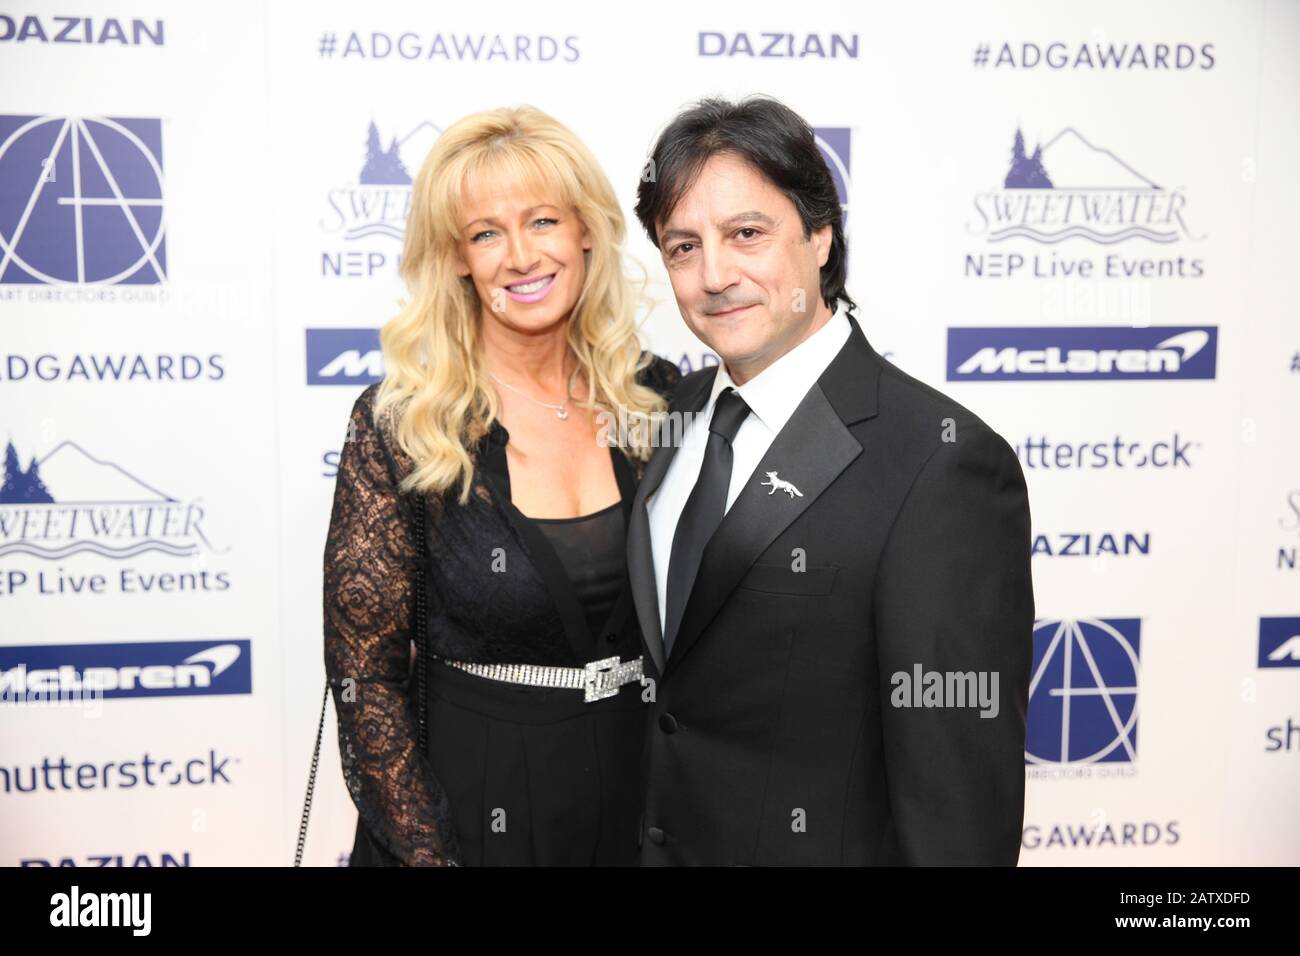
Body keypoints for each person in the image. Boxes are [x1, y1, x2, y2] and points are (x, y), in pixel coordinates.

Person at [627, 96, 1034, 865]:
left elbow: (956, 802)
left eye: (747, 234)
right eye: (683, 247)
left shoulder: (940, 462)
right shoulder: (669, 420)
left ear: (819, 235)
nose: (714, 275)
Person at [323, 105, 680, 866]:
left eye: (544, 221)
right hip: (476, 800)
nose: (520, 256)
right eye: (486, 233)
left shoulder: (656, 402)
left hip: (640, 793)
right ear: (457, 258)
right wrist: (431, 853)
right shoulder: (406, 423)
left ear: (586, 229)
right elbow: (366, 677)